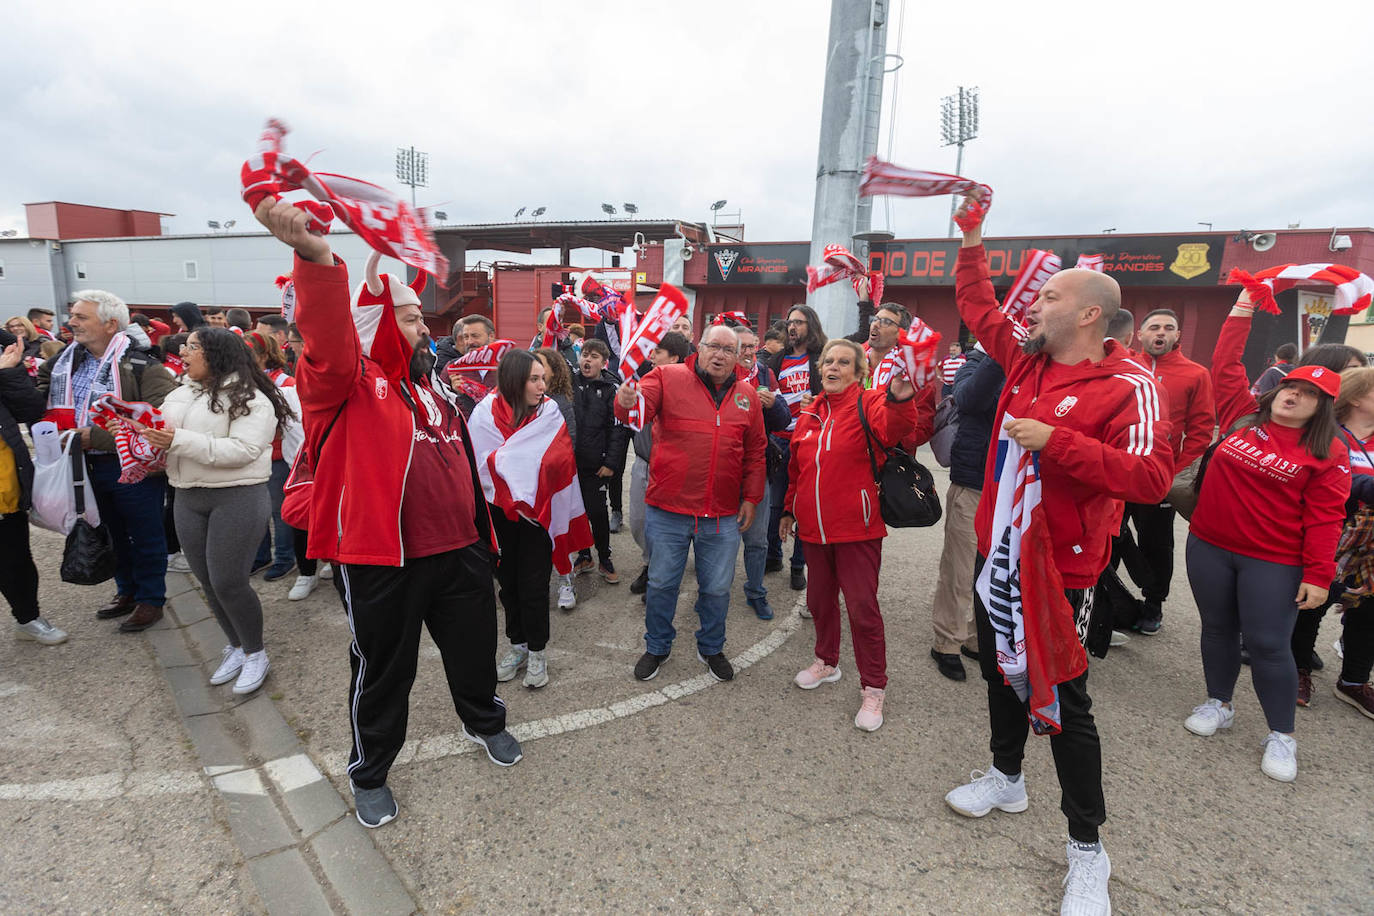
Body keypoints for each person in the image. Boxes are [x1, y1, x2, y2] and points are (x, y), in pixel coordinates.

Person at [254, 196, 521, 831]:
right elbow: (331, 339)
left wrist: (486, 541)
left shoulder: (436, 390)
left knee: (475, 651)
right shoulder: (344, 384)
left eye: (420, 317)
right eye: (406, 318)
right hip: (382, 561)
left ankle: (485, 721)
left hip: (459, 552)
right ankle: (369, 770)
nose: (423, 328)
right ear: (373, 323)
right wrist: (320, 260)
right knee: (382, 673)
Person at [941, 191, 1173, 916]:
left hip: (1065, 570)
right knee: (1002, 669)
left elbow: (1152, 477)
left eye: (1046, 296)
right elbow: (980, 307)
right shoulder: (1027, 359)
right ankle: (1005, 776)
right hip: (998, 551)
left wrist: (1059, 443)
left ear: (1089, 314)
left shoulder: (1131, 382)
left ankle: (1086, 851)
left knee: (1066, 700)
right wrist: (974, 236)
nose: (1031, 307)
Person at [1183, 287, 1349, 785]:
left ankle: (1282, 734)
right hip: (1209, 545)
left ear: (1323, 408)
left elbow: (1326, 519)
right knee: (1216, 629)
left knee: (1269, 644)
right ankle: (1219, 703)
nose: (1294, 395)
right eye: (1290, 387)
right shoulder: (1242, 414)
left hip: (1273, 561)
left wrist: (1319, 577)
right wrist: (1244, 304)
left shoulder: (1328, 453)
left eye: (1310, 394)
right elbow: (1225, 358)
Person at [138, 327, 293, 694]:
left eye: (193, 347)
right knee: (207, 580)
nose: (183, 351)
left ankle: (256, 652)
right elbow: (162, 433)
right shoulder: (179, 394)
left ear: (217, 354)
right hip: (187, 496)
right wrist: (137, 434)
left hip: (237, 497)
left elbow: (242, 451)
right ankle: (236, 646)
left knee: (228, 581)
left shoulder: (254, 398)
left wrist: (176, 440)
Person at [615, 324, 766, 683]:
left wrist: (752, 497)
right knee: (662, 583)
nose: (720, 355)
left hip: (722, 513)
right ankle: (657, 646)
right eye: (713, 346)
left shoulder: (747, 395)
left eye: (728, 350)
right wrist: (624, 403)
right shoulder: (666, 376)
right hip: (669, 508)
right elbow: (636, 411)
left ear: (738, 357)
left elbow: (756, 451)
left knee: (716, 587)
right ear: (699, 347)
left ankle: (712, 646)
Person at [780, 339, 918, 730]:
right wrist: (790, 509)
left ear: (859, 372)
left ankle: (874, 687)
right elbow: (797, 469)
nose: (833, 368)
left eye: (844, 362)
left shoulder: (871, 402)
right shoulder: (810, 412)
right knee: (820, 600)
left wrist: (901, 399)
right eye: (828, 361)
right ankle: (827, 662)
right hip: (813, 531)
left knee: (862, 608)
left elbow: (895, 429)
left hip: (857, 529)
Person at [36, 289, 178, 631]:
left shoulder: (143, 364)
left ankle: (151, 599)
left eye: (81, 317)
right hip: (83, 464)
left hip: (130, 466)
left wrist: (93, 436)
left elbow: (158, 421)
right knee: (109, 530)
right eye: (73, 316)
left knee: (144, 534)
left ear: (111, 324)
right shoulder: (68, 360)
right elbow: (41, 387)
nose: (71, 322)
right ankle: (126, 590)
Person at [473, 349, 592, 690]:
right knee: (507, 585)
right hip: (499, 512)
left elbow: (560, 459)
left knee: (534, 586)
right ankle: (518, 646)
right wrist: (514, 465)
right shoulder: (483, 414)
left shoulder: (550, 412)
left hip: (538, 515)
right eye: (535, 380)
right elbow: (479, 462)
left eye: (544, 379)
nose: (543, 386)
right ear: (514, 381)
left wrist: (519, 470)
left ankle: (538, 651)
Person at [1118, 309, 1215, 634]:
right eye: (1154, 327)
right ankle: (1106, 601)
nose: (1161, 332)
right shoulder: (1126, 364)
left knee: (1156, 544)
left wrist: (1171, 472)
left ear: (1177, 336)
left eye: (1168, 328)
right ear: (1140, 335)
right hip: (1118, 470)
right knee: (1109, 536)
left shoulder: (1196, 374)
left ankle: (1153, 604)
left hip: (1158, 478)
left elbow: (1202, 430)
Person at [928, 343, 1005, 681]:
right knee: (960, 569)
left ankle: (976, 637)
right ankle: (946, 642)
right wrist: (998, 355)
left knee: (994, 569)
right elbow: (970, 399)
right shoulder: (973, 364)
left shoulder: (1035, 363)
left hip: (1011, 487)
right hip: (975, 481)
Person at [0, 329, 67, 645]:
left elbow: (31, 411)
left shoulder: (5, 374)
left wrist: (9, 373)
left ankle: (27, 617)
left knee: (15, 560)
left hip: (5, 488)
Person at [760, 304, 826, 590]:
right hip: (778, 442)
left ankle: (798, 565)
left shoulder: (822, 359)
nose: (792, 327)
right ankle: (773, 555)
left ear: (810, 326)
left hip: (810, 441)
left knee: (804, 507)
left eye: (798, 322)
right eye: (789, 322)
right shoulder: (776, 361)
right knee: (774, 507)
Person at [1322, 366, 1374, 719]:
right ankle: (1296, 667)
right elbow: (1335, 480)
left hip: (1371, 545)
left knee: (1368, 610)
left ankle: (1354, 681)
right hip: (1337, 534)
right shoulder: (1332, 436)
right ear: (1356, 398)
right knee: (1316, 602)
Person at [733, 323, 791, 620]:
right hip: (722, 472)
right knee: (719, 540)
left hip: (758, 467)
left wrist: (772, 405)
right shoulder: (715, 377)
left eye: (751, 346)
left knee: (756, 539)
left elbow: (783, 420)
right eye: (740, 346)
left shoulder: (766, 374)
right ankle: (710, 593)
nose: (747, 352)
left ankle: (755, 591)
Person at [571, 339, 628, 583]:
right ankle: (584, 555)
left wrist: (611, 463)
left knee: (596, 511)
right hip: (571, 463)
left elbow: (618, 430)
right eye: (584, 354)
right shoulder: (569, 382)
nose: (587, 360)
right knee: (576, 511)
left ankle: (604, 557)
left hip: (597, 465)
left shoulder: (611, 388)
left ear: (603, 363)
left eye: (593, 356)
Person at [245, 331, 299, 583]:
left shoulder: (285, 382)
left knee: (280, 511)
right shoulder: (241, 380)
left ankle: (285, 558)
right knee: (256, 512)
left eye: (250, 354)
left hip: (277, 455)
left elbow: (294, 422)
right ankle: (261, 556)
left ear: (264, 355)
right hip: (250, 454)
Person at [535, 346, 580, 611]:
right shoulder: (521, 399)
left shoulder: (561, 402)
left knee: (560, 532)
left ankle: (566, 579)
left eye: (541, 366)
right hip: (530, 484)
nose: (537, 372)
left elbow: (570, 440)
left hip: (556, 481)